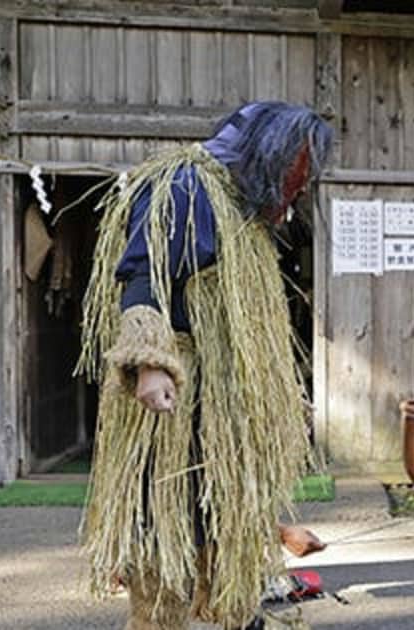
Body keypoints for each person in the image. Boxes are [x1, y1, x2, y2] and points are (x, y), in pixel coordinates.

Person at [77, 101, 333, 629]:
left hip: (226, 406)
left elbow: (252, 324)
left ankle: (240, 615)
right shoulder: (184, 185)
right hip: (178, 400)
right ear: (270, 153)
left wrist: (283, 395)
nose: (302, 182)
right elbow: (145, 273)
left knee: (229, 518)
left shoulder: (246, 216)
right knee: (165, 527)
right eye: (299, 165)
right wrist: (151, 363)